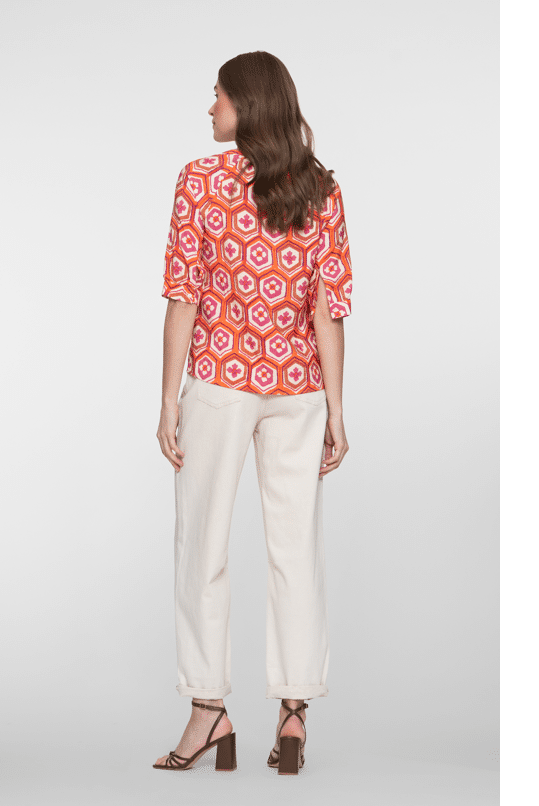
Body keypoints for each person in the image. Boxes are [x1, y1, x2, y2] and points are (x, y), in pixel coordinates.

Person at [153, 51, 352, 774]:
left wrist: (167, 400)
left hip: (219, 382)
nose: (210, 108)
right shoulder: (320, 188)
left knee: (201, 545)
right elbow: (328, 309)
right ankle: (294, 714)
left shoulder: (200, 181)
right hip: (298, 387)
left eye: (219, 96)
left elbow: (184, 297)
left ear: (247, 105)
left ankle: (209, 710)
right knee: (295, 548)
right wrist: (336, 407)